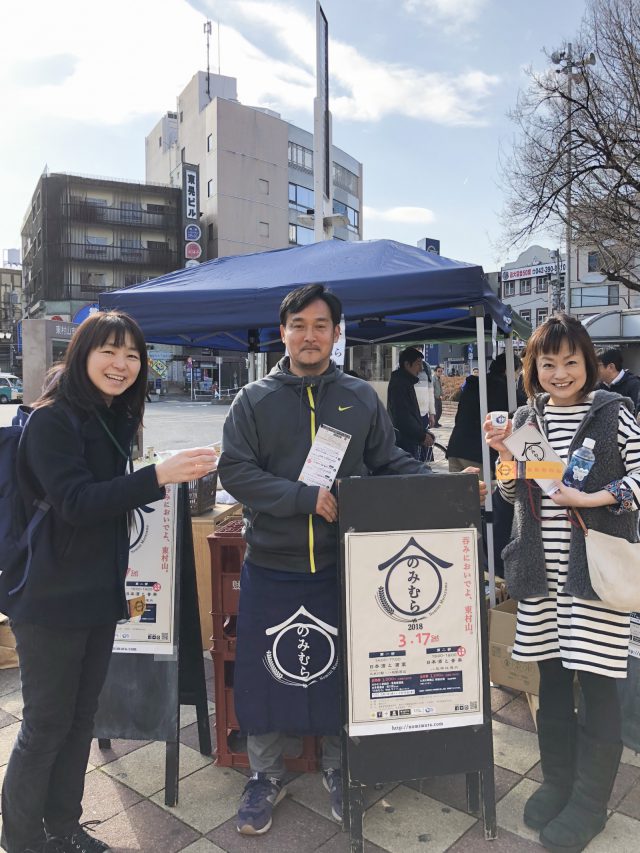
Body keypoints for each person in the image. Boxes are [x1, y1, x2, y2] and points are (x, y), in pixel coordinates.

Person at [218, 284, 486, 837]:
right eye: (299, 324)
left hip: (345, 566)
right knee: (267, 674)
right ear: (283, 332)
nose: (309, 335)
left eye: (321, 325)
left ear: (337, 334)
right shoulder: (254, 399)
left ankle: (344, 770)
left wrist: (448, 484)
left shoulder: (359, 396)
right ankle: (265, 776)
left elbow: (388, 461)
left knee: (348, 673)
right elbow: (236, 472)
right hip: (272, 562)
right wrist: (303, 497)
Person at [0, 311, 217, 853]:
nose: (122, 365)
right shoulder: (53, 419)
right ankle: (23, 839)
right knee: (46, 724)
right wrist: (157, 476)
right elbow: (75, 503)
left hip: (96, 592)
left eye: (133, 356)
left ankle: (63, 826)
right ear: (82, 354)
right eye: (110, 352)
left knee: (78, 719)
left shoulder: (108, 415)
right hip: (48, 597)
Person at [484, 314, 640, 853]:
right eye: (547, 363)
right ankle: (557, 783)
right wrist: (505, 457)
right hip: (541, 576)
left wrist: (593, 498)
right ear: (533, 367)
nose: (559, 372)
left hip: (591, 575)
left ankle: (591, 804)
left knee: (597, 684)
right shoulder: (529, 420)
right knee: (551, 681)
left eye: (571, 361)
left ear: (589, 364)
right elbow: (514, 497)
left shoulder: (613, 414)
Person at [447, 353, 522, 472]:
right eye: (517, 373)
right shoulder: (503, 388)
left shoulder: (474, 384)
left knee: (457, 490)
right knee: (483, 490)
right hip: (479, 454)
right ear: (509, 370)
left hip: (456, 448)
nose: (517, 378)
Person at [386, 346, 434, 460]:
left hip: (408, 439)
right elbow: (403, 417)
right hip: (404, 442)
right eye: (418, 364)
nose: (421, 368)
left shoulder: (406, 381)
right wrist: (422, 435)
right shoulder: (399, 385)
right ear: (407, 364)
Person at [598, 348, 640, 415]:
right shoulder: (598, 387)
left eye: (598, 366)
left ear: (611, 367)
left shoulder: (635, 385)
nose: (594, 369)